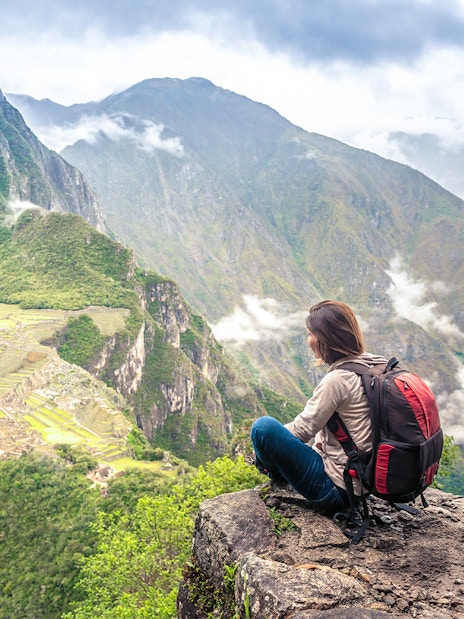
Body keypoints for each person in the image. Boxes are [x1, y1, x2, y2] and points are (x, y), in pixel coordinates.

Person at [250, 299, 387, 515]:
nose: (309, 340)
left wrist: (264, 449)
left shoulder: (338, 380)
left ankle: (269, 470)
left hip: (335, 489)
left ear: (325, 340)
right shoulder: (375, 365)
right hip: (365, 480)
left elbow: (302, 430)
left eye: (311, 334)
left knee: (262, 428)